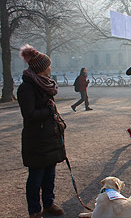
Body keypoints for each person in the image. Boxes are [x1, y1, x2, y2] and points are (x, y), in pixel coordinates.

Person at [17, 44, 66, 218]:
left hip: (49, 137)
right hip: (36, 140)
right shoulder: (27, 88)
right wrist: (49, 110)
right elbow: (29, 115)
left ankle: (48, 203)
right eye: (48, 65)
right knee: (36, 178)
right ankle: (34, 211)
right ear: (41, 69)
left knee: (49, 175)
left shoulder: (44, 84)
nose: (50, 68)